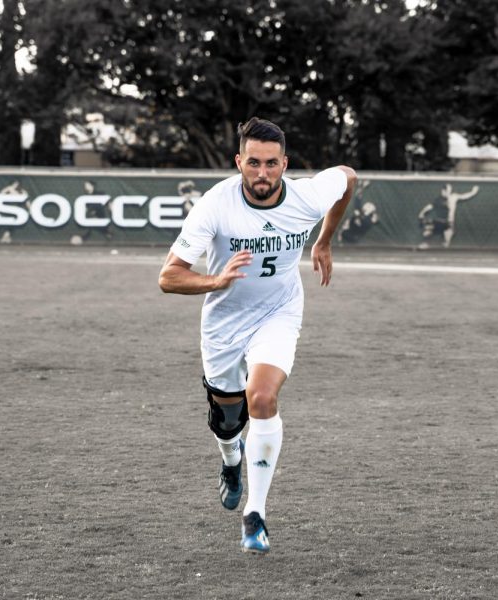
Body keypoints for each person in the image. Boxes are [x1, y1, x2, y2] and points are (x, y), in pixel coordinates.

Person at [158, 117, 356, 554]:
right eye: (253, 163)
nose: (262, 173)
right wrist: (216, 281)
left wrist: (324, 240)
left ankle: (256, 514)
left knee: (261, 398)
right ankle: (231, 463)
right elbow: (169, 278)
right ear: (239, 162)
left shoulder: (305, 195)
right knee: (227, 421)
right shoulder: (216, 205)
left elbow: (347, 178)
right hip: (225, 321)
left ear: (284, 163)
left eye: (271, 164)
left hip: (279, 312)